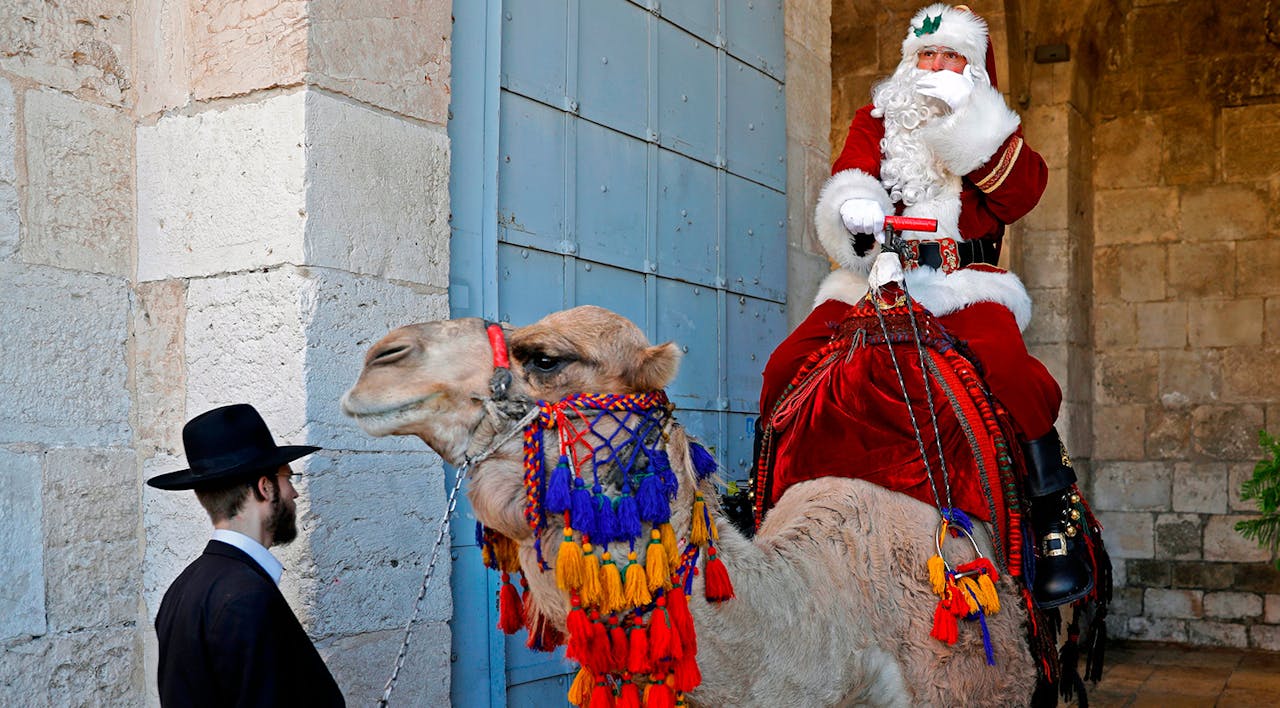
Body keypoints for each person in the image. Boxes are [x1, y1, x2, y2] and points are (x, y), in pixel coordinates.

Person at [761, 3, 1090, 608]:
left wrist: (968, 125)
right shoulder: (876, 118)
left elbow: (1021, 193)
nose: (933, 67)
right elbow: (850, 177)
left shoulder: (995, 135)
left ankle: (1052, 515)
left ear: (972, 69)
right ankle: (757, 496)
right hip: (877, 279)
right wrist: (854, 209)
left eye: (949, 57)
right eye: (925, 56)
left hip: (961, 283)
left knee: (1011, 370)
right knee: (786, 363)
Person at [148, 403, 345, 706]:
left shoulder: (183, 587)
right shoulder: (247, 596)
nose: (294, 493)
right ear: (265, 488)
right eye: (288, 478)